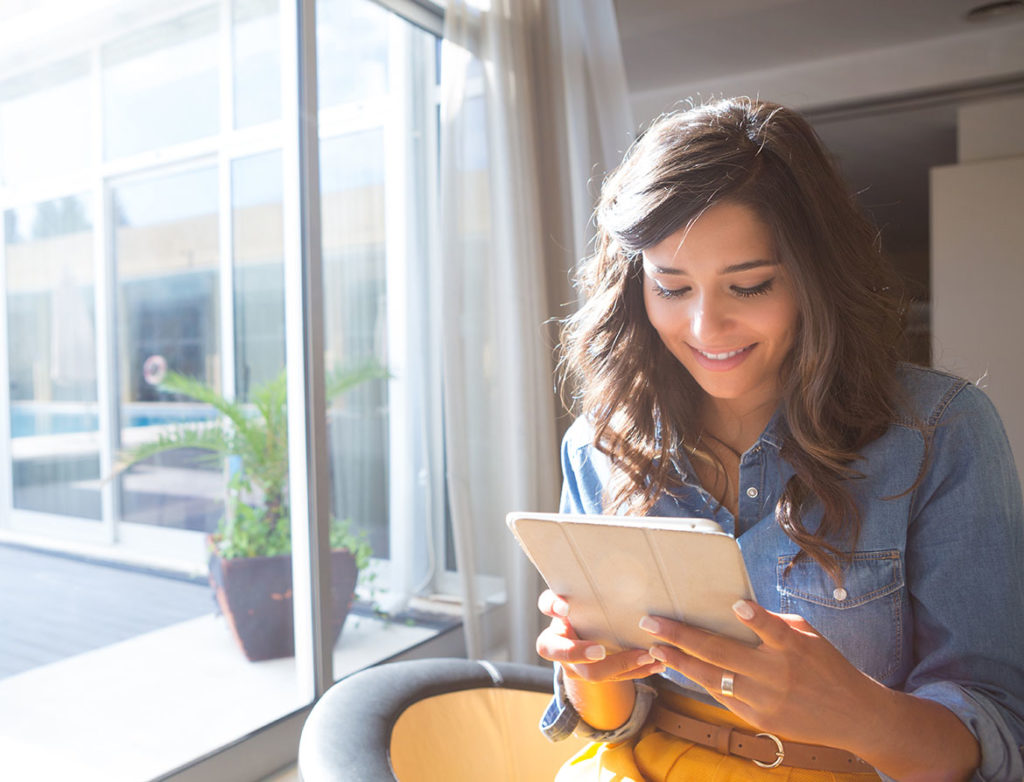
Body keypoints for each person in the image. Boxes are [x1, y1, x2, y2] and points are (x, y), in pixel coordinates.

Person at [535, 97, 1024, 781]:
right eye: (672, 288)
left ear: (816, 278)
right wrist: (586, 668)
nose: (706, 328)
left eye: (750, 285)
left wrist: (860, 713)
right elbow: (613, 721)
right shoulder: (599, 443)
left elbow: (999, 736)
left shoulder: (941, 431)